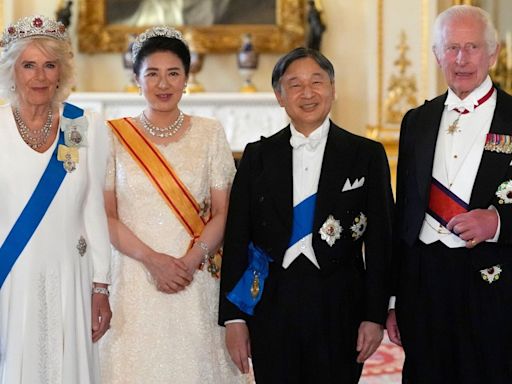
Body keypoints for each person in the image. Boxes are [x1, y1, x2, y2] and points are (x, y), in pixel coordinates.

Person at [219, 47, 394, 383]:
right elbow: (237, 237)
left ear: (333, 89)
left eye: (317, 82)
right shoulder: (257, 157)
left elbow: (381, 241)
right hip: (272, 305)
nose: (308, 92)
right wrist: (234, 319)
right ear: (279, 96)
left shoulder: (365, 155)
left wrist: (375, 314)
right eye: (295, 85)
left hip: (341, 304)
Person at [99, 26, 245, 384]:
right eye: (152, 73)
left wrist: (189, 260)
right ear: (136, 78)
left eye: (173, 73)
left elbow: (224, 212)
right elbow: (107, 215)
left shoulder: (210, 133)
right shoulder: (113, 135)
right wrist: (153, 261)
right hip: (135, 277)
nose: (163, 84)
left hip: (193, 278)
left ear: (186, 78)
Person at [386, 5, 512, 383]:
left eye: (472, 47)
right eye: (452, 48)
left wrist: (499, 221)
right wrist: (395, 301)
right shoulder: (416, 121)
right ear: (437, 55)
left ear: (493, 53)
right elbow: (405, 215)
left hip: (495, 286)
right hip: (425, 288)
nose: (461, 59)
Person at [0, 15, 112, 384]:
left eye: (50, 65)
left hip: (72, 275)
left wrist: (101, 284)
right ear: (11, 71)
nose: (40, 76)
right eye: (28, 65)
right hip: (11, 275)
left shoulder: (82, 126)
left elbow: (93, 207)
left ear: (62, 71)